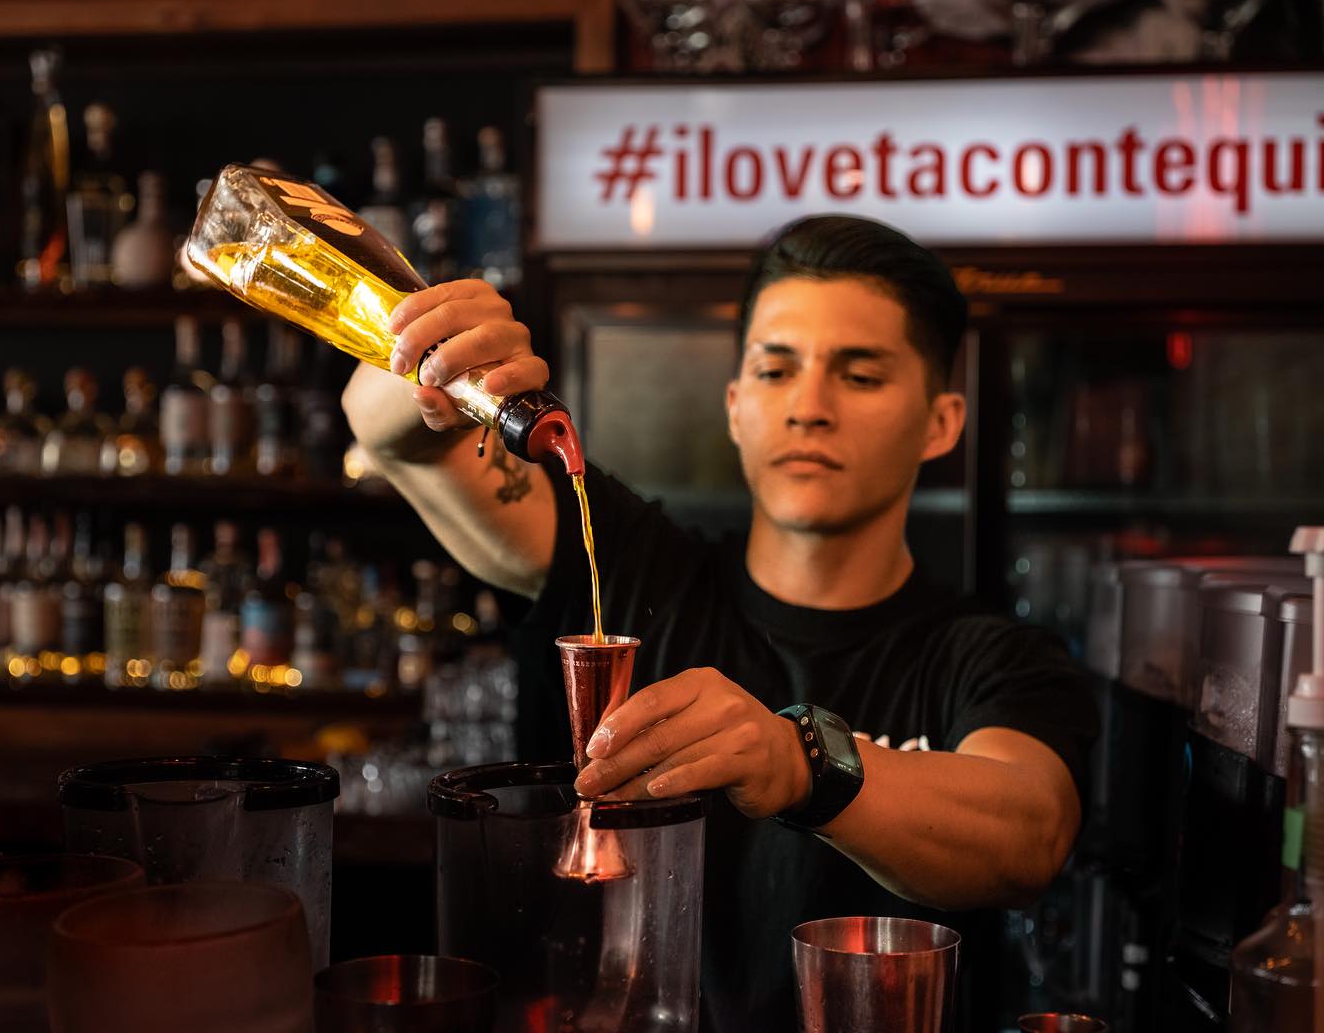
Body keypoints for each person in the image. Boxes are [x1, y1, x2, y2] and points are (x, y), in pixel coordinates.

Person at [342, 214, 1099, 1032]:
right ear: (736, 407)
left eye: (860, 375)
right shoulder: (639, 570)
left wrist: (799, 760)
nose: (808, 408)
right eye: (776, 371)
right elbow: (388, 433)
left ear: (941, 422)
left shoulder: (992, 658)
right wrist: (444, 353)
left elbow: (1030, 831)